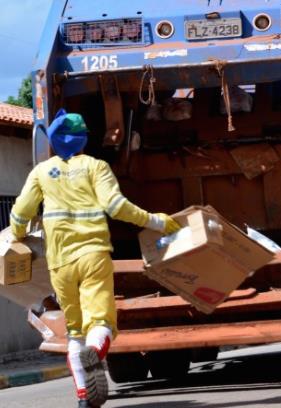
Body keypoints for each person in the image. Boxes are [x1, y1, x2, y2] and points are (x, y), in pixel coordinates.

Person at [9, 109, 181, 407]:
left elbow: (21, 212)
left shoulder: (41, 172)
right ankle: (96, 353)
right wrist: (156, 222)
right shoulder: (96, 166)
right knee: (101, 322)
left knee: (74, 330)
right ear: (84, 141)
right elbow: (116, 206)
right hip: (94, 255)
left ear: (51, 142)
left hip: (60, 262)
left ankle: (84, 399)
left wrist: (16, 234)